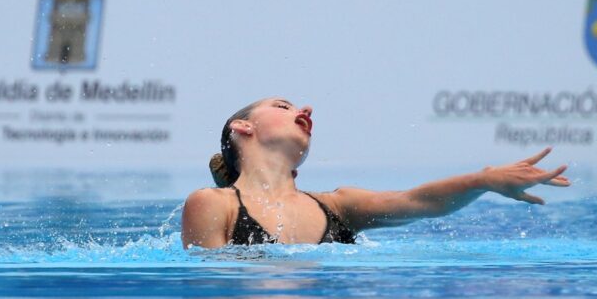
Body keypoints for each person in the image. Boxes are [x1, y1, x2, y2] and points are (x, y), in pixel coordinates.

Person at [181, 97, 571, 249]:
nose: (306, 109)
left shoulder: (338, 206)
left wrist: (483, 180)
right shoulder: (212, 204)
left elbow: (415, 202)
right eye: (282, 106)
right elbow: (214, 296)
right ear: (243, 128)